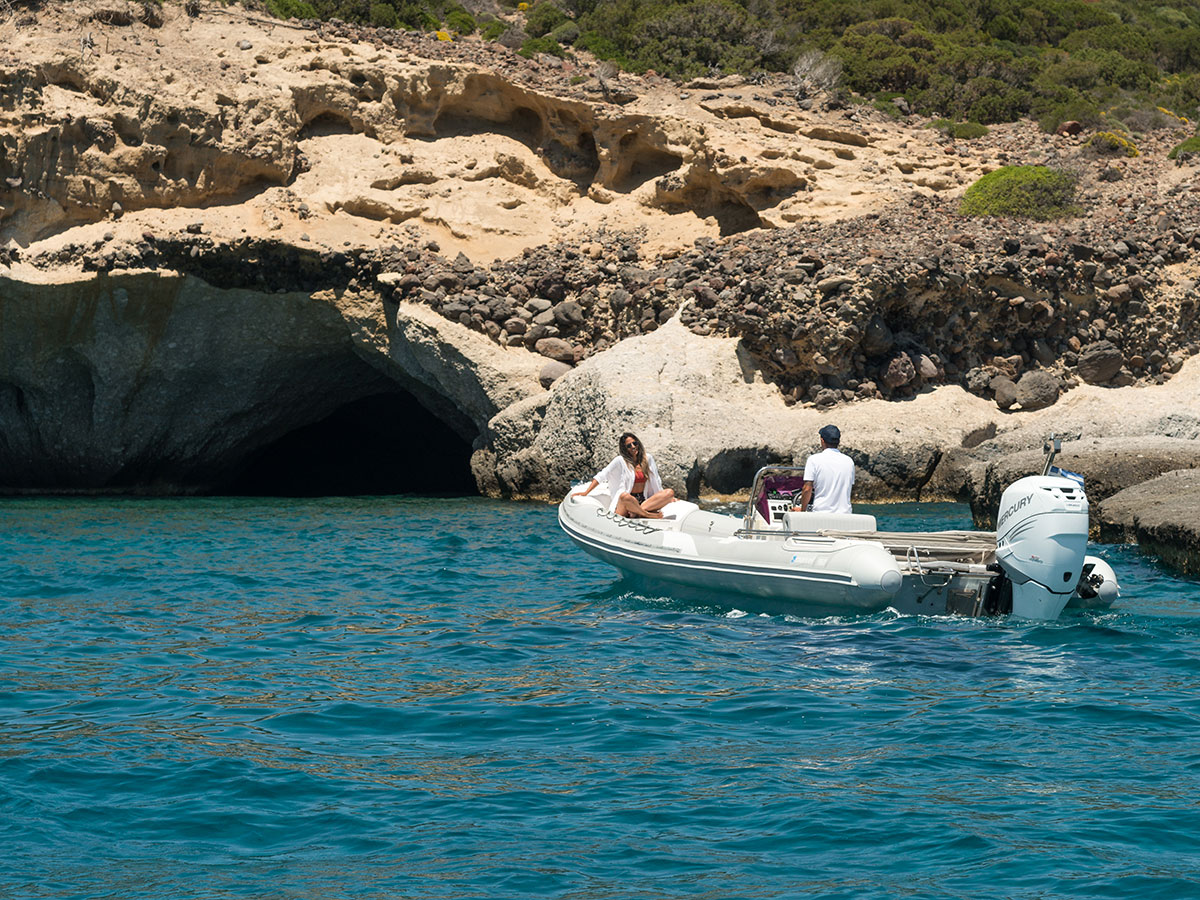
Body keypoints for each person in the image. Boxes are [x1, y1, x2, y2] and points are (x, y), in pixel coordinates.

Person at [573, 432, 676, 518]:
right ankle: (647, 514)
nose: (633, 447)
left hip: (643, 501)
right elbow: (603, 474)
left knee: (669, 492)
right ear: (624, 449)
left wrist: (667, 497)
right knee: (625, 496)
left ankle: (637, 512)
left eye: (634, 443)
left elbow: (656, 480)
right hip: (627, 502)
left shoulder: (648, 459)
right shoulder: (620, 461)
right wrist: (586, 492)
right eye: (629, 445)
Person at [794, 424, 855, 514]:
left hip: (821, 514)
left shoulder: (814, 460)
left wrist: (803, 510)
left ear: (822, 440)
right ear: (838, 441)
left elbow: (807, 489)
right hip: (845, 515)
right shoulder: (849, 461)